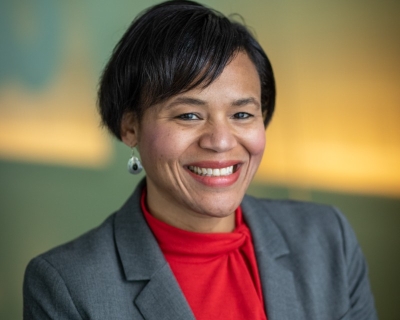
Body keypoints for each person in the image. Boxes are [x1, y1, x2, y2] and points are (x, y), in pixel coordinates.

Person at [23, 1, 378, 319]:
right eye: (189, 116)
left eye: (242, 115)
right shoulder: (67, 285)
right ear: (130, 127)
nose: (221, 142)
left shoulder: (327, 238)